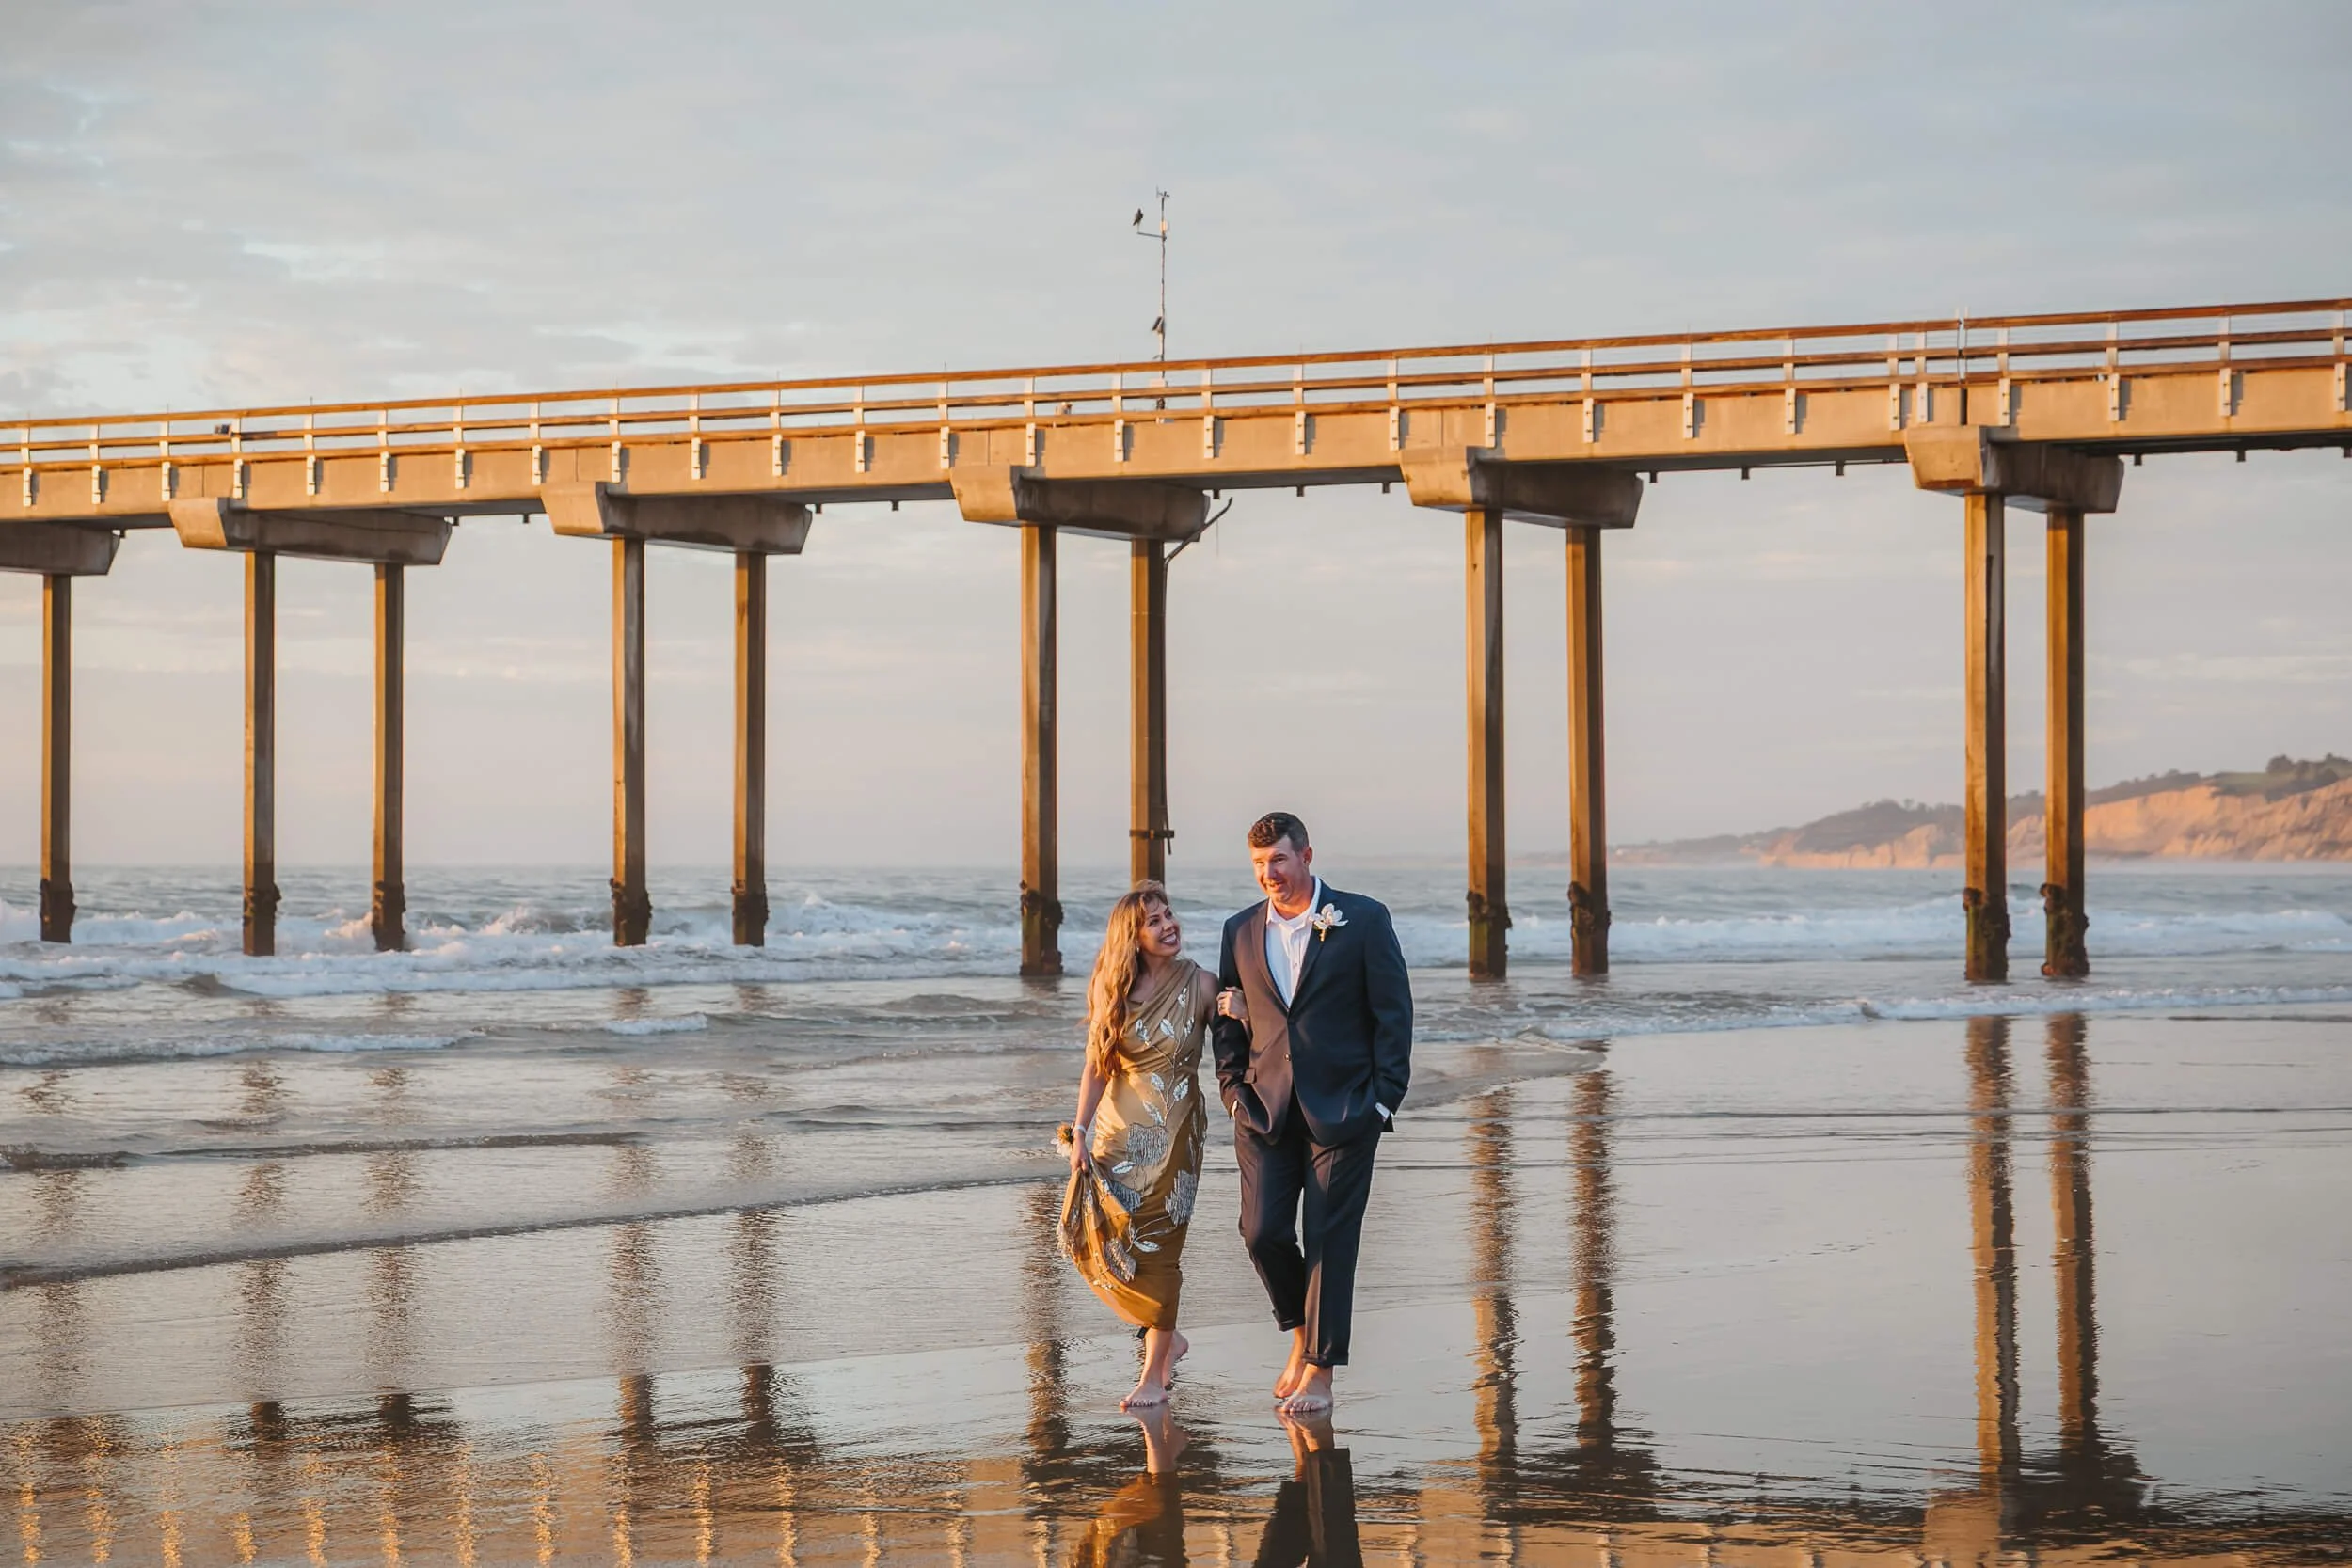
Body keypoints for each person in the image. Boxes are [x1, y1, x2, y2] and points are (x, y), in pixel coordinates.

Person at [1213, 812, 1412, 1416]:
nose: (1268, 874)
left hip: (1346, 1108)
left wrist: (1382, 1100)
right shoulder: (1240, 930)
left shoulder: (1364, 919)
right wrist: (1230, 1091)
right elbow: (1229, 1016)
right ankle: (1300, 1332)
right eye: (1258, 864)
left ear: (1305, 856)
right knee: (1261, 1232)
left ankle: (1320, 1371)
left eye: (1278, 859)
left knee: (1330, 1238)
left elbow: (1393, 1013)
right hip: (1263, 1108)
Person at [1059, 880, 1214, 1409]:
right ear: (1133, 935)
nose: (1169, 925)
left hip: (1177, 1137)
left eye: (1169, 914)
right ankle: (1167, 1333)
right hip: (1117, 1135)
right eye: (1154, 920)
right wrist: (1079, 1132)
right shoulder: (1114, 993)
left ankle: (1154, 1370)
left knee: (1160, 1246)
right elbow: (1098, 1068)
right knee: (1102, 1238)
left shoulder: (1203, 984)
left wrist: (1239, 1009)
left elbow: (1253, 1040)